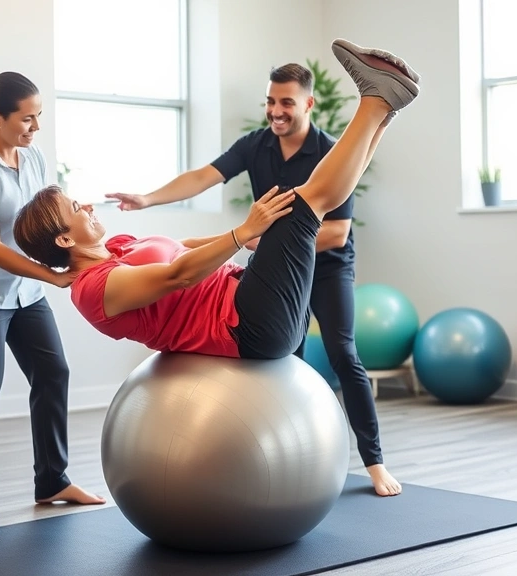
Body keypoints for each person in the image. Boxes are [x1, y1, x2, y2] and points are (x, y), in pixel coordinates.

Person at [13, 38, 420, 497]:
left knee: (304, 208)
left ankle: (383, 111)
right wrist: (243, 233)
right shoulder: (93, 289)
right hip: (249, 326)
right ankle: (377, 100)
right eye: (74, 207)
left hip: (247, 293)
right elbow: (177, 275)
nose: (86, 204)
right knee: (306, 205)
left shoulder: (119, 246)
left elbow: (184, 246)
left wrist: (251, 234)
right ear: (65, 239)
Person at [105, 60, 402, 495]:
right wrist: (148, 198)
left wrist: (270, 246)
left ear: (308, 103)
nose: (275, 111)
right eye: (270, 101)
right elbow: (203, 176)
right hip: (279, 273)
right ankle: (294, 462)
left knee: (343, 353)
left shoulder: (329, 150)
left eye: (286, 102)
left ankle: (375, 463)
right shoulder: (257, 145)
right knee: (286, 362)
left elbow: (336, 232)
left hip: (327, 268)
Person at [0, 71, 105, 531]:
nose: (35, 128)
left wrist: (84, 253)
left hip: (24, 292)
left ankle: (52, 480)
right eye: (27, 119)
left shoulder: (33, 160)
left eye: (39, 118)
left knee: (53, 372)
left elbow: (46, 224)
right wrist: (53, 278)